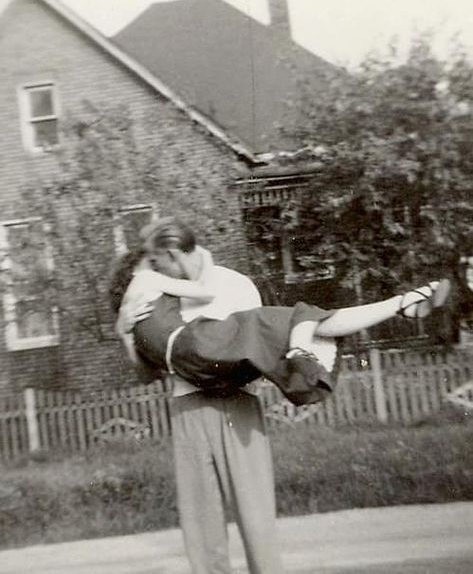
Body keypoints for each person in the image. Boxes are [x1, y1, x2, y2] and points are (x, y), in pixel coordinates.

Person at [112, 217, 451, 406]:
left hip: (199, 366)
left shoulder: (139, 309)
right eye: (153, 261)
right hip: (196, 347)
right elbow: (206, 289)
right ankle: (306, 347)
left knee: (304, 323)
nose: (158, 268)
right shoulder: (146, 279)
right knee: (293, 320)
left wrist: (123, 334)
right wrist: (204, 253)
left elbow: (149, 369)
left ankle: (402, 304)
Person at [115, 219, 286, 574]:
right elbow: (146, 374)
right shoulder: (157, 296)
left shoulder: (235, 285)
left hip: (238, 404)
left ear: (174, 255)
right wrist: (125, 333)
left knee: (257, 520)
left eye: (159, 263)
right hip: (188, 410)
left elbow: (258, 351)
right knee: (201, 526)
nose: (156, 271)